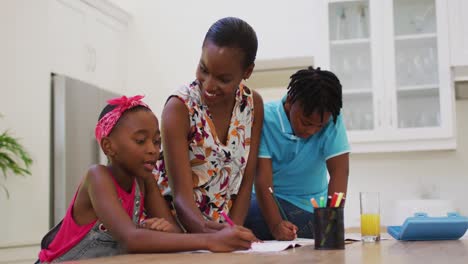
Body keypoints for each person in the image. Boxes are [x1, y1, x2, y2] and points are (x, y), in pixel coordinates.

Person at [37, 95, 256, 263]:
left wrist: (225, 231)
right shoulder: (97, 177)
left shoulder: (144, 181)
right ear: (108, 146)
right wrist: (211, 241)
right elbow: (130, 238)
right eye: (141, 141)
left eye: (156, 141)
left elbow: (176, 233)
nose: (153, 150)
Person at [155, 17, 264, 233]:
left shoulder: (253, 105)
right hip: (172, 231)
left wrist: (235, 230)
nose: (209, 85)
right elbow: (181, 200)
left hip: (217, 236)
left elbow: (246, 181)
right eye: (203, 69)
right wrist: (217, 237)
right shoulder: (179, 108)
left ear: (247, 72)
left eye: (223, 79)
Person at [244, 66, 350, 240]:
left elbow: (340, 172)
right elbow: (263, 181)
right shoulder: (265, 118)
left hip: (309, 207)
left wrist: (331, 220)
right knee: (242, 213)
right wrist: (276, 224)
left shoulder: (332, 119)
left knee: (314, 224)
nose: (312, 131)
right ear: (290, 100)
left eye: (319, 126)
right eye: (306, 122)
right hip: (268, 203)